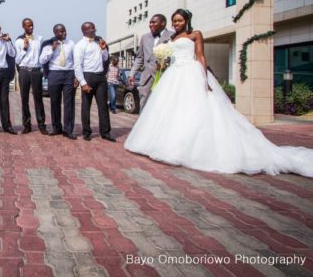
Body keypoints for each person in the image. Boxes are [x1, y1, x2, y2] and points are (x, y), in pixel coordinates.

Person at [124, 9, 313, 177]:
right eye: (174, 21)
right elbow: (166, 58)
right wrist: (162, 61)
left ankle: (190, 149)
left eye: (179, 20)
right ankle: (164, 144)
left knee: (195, 109)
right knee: (172, 110)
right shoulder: (171, 38)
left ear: (187, 21)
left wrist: (203, 78)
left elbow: (200, 56)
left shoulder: (195, 34)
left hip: (190, 72)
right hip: (173, 74)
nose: (176, 24)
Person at [73, 22, 116, 142]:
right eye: (92, 29)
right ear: (85, 30)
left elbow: (105, 59)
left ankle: (106, 132)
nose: (95, 30)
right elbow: (77, 66)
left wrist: (104, 50)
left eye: (94, 28)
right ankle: (87, 132)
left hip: (101, 77)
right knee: (86, 106)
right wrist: (83, 83)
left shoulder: (99, 42)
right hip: (88, 76)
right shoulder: (80, 45)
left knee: (103, 106)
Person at [39, 24, 78, 140]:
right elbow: (41, 60)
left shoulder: (71, 43)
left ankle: (68, 130)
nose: (64, 33)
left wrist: (76, 76)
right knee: (54, 102)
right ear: (55, 32)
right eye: (60, 32)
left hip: (69, 74)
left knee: (69, 103)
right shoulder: (48, 44)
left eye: (64, 31)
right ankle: (56, 128)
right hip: (54, 74)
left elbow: (76, 60)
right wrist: (52, 49)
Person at [129, 14, 173, 110]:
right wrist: (132, 74)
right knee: (144, 105)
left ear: (163, 23)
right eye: (150, 22)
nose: (150, 24)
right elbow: (139, 58)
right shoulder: (144, 37)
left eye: (154, 22)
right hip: (147, 78)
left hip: (164, 77)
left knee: (163, 105)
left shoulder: (172, 36)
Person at [15, 18, 47, 135]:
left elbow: (42, 56)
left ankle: (41, 125)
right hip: (24, 70)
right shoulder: (19, 40)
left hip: (36, 71)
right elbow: (17, 60)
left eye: (32, 25)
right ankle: (27, 125)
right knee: (24, 99)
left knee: (38, 98)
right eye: (28, 26)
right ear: (23, 27)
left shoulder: (40, 38)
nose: (31, 27)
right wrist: (24, 48)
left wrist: (42, 69)